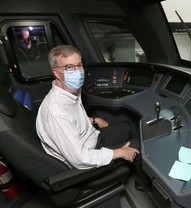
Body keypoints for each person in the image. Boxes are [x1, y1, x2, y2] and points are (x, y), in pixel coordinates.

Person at [36, 45, 150, 191]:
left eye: (79, 65)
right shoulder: (56, 112)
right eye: (70, 67)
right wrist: (120, 152)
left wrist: (94, 120)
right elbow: (80, 159)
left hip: (91, 138)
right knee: (137, 144)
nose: (77, 71)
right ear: (56, 73)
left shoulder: (67, 93)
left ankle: (130, 158)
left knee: (126, 127)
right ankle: (143, 184)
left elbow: (73, 121)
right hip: (86, 159)